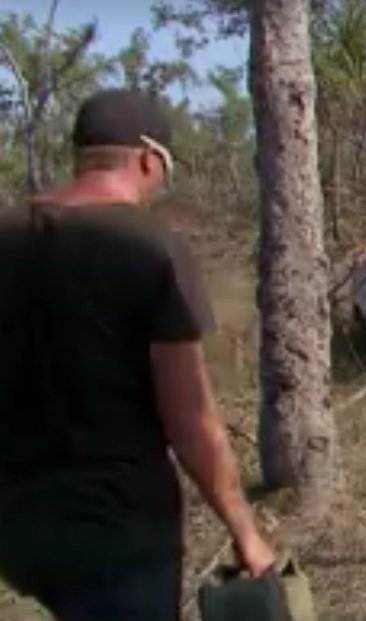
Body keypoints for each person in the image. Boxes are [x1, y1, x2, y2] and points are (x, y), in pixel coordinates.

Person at [0, 89, 275, 620]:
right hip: (117, 536)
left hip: (17, 532)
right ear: (149, 160)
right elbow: (190, 420)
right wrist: (245, 530)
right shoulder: (149, 246)